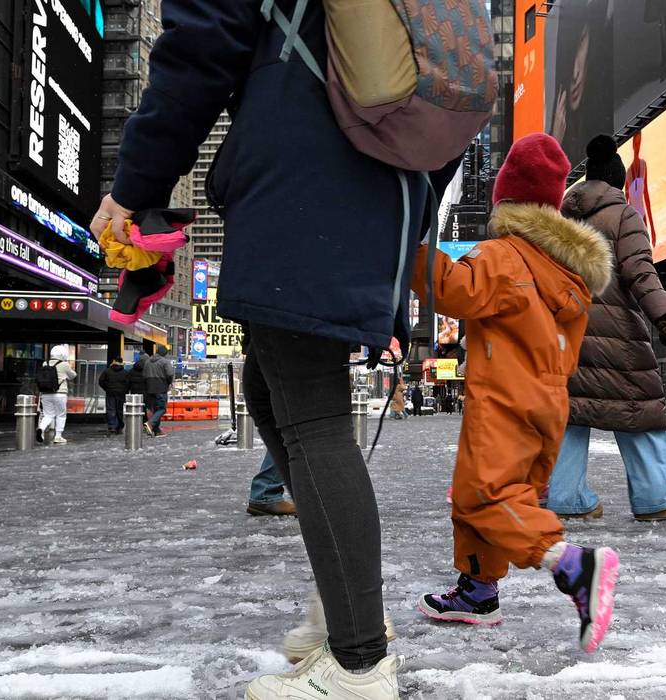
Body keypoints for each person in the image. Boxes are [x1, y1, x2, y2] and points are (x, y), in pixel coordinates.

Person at [90, 0, 436, 693]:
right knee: (269, 392)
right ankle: (340, 603)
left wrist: (134, 188)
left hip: (307, 177)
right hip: (383, 181)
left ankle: (359, 663)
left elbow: (197, 50)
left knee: (309, 412)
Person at [414, 133, 621, 654]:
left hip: (504, 397)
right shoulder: (566, 272)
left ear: (506, 202)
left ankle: (571, 564)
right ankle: (478, 591)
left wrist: (412, 258)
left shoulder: (504, 255)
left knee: (483, 495)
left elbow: (458, 291)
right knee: (490, 493)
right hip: (547, 402)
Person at [545, 135, 666, 523]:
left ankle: (566, 497)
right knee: (638, 410)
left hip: (567, 335)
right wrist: (665, 316)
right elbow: (639, 270)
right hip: (618, 336)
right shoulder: (624, 216)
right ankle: (654, 496)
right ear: (617, 182)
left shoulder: (562, 219)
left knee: (570, 415)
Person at [37, 345, 77, 445]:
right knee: (61, 415)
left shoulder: (45, 363)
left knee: (48, 415)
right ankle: (58, 436)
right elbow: (73, 375)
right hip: (60, 393)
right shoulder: (64, 364)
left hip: (46, 393)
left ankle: (41, 429)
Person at [136, 346, 174, 437]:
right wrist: (169, 383)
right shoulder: (165, 362)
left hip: (149, 389)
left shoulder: (147, 361)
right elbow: (170, 374)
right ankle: (150, 424)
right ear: (165, 353)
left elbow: (144, 375)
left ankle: (156, 431)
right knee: (162, 409)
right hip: (161, 387)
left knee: (155, 409)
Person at [98, 357, 131, 435]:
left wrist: (107, 388)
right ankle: (119, 427)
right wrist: (124, 390)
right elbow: (128, 384)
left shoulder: (107, 371)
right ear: (122, 362)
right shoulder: (125, 372)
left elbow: (101, 381)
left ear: (113, 361)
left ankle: (112, 426)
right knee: (119, 410)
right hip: (121, 394)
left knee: (111, 409)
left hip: (110, 393)